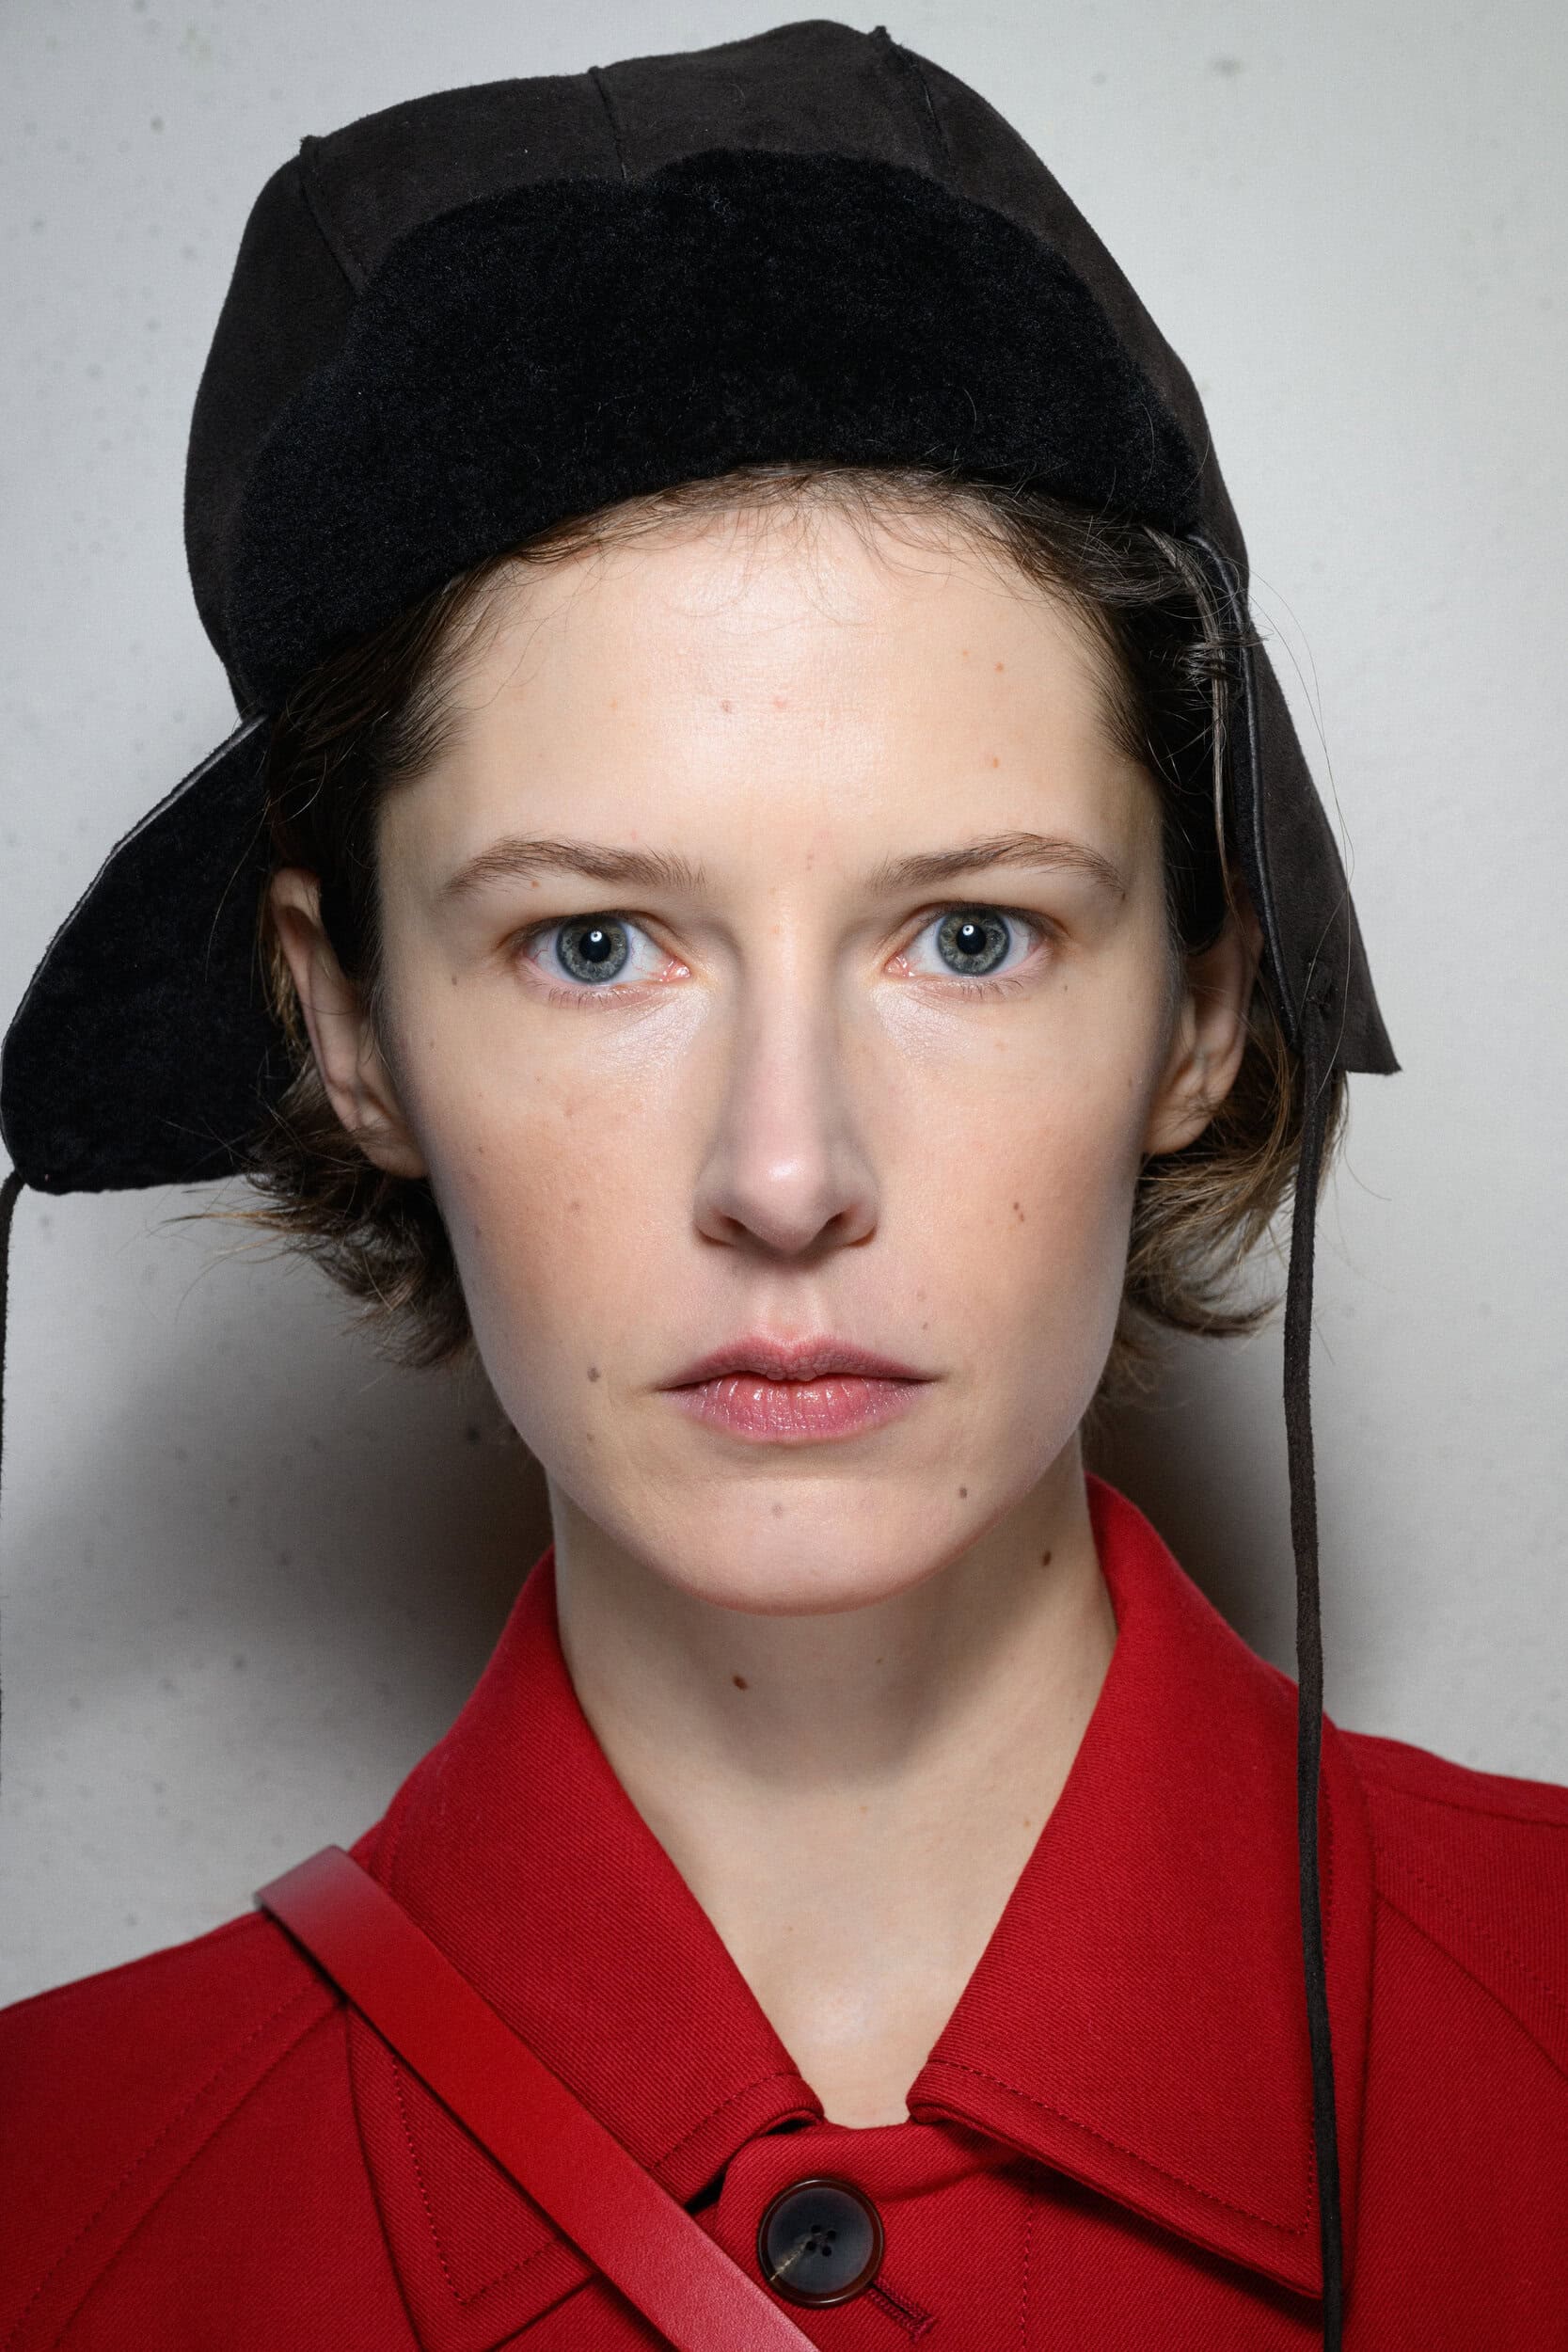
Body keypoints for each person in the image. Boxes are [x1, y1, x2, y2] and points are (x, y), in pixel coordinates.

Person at [0, 21, 1563, 2351]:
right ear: (347, 1026)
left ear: (1208, 1000)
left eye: (972, 934)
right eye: (595, 944)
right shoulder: (49, 2209)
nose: (788, 1172)